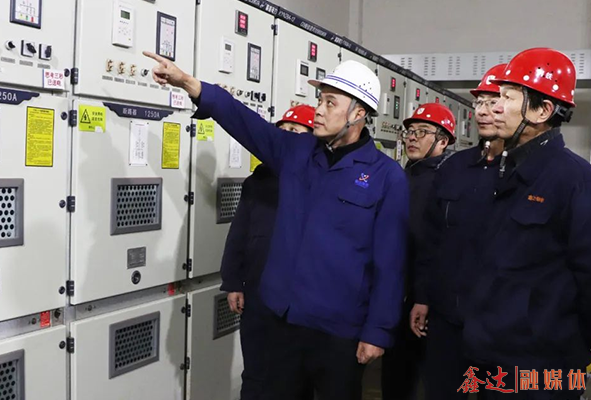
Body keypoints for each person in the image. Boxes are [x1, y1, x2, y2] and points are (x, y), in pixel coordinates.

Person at [142, 52, 409, 400]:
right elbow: (244, 122)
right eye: (320, 100)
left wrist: (377, 331)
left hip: (339, 330)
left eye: (330, 102)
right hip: (282, 321)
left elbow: (391, 262)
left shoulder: (386, 177)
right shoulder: (296, 152)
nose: (319, 109)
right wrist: (190, 84)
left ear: (358, 113)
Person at [462, 48, 591, 399]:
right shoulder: (507, 170)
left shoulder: (575, 180)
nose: (495, 107)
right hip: (493, 357)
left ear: (542, 111)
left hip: (543, 366)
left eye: (507, 97)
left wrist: (578, 350)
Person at [409, 65, 506, 399]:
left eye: (493, 103)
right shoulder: (454, 167)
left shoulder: (527, 172)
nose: (482, 111)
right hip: (448, 318)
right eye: (479, 102)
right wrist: (422, 296)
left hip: (501, 326)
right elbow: (431, 239)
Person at [220, 104, 315, 400]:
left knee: (292, 375)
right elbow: (239, 232)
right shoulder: (257, 180)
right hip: (256, 289)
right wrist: (232, 281)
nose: (285, 136)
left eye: (295, 131)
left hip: (296, 296)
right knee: (255, 371)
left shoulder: (314, 181)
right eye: (281, 130)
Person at [381, 103, 455, 400]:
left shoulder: (445, 183)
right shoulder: (403, 176)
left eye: (422, 132)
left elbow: (434, 245)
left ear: (443, 141)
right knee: (396, 375)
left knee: (428, 377)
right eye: (410, 131)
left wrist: (422, 297)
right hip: (397, 292)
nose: (412, 137)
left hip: (426, 299)